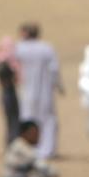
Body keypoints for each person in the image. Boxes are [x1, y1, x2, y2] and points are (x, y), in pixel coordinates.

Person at [15, 22, 64, 160]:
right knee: (47, 121)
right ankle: (47, 150)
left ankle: (27, 150)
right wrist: (59, 86)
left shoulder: (20, 48)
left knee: (28, 120)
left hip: (27, 92)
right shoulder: (46, 48)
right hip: (45, 92)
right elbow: (54, 70)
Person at [0, 36, 20, 147]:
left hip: (9, 92)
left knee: (13, 120)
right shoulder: (4, 62)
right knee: (12, 120)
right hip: (8, 92)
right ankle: (12, 143)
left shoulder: (4, 61)